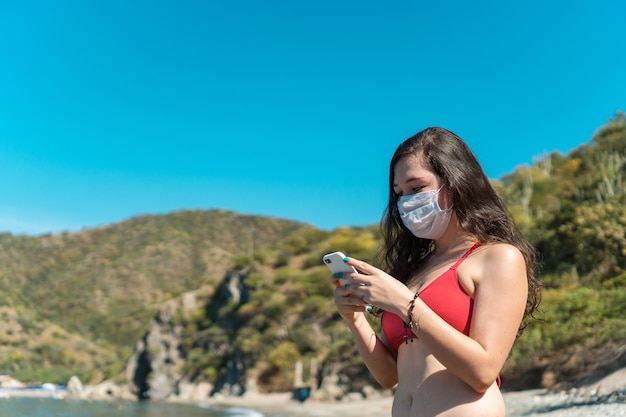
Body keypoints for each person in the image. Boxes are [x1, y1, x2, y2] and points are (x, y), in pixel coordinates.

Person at [330, 127, 541, 417]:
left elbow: (482, 371)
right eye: (399, 193)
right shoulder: (415, 271)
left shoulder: (498, 258)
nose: (405, 202)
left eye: (416, 188)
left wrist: (404, 303)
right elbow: (390, 376)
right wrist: (354, 319)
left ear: (455, 183)